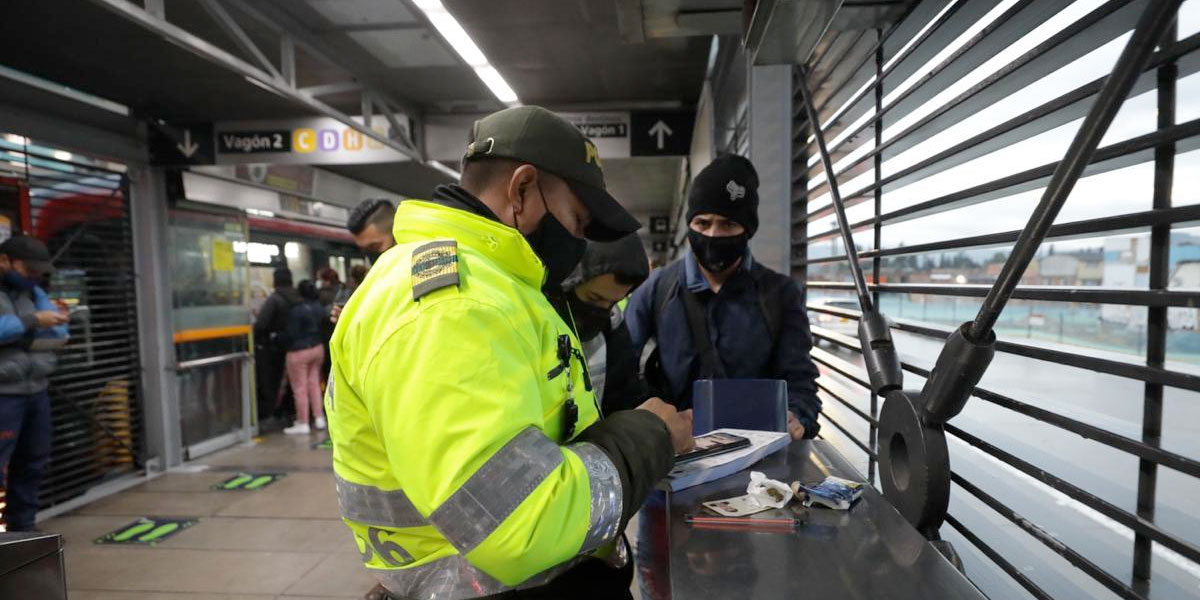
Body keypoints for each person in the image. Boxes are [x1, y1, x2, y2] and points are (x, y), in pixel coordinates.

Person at [327, 105, 694, 600]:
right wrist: (650, 436)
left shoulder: (503, 289)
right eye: (577, 221)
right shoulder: (451, 306)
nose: (579, 243)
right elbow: (521, 523)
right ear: (522, 190)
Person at [626, 154, 821, 441]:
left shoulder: (780, 295)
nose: (714, 234)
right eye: (703, 224)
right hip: (675, 452)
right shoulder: (658, 288)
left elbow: (800, 379)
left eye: (728, 224)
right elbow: (622, 370)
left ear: (747, 230)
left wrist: (797, 414)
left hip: (757, 453)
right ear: (690, 225)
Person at [0, 235, 69, 532]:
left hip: (35, 389)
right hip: (4, 393)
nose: (33, 276)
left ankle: (22, 530)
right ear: (4, 262)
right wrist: (32, 322)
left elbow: (57, 331)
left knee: (32, 461)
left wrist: (56, 319)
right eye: (28, 269)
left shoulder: (34, 292)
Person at [548, 234, 651, 416]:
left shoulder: (612, 323)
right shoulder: (538, 321)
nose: (602, 312)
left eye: (613, 302)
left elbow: (623, 394)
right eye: (594, 299)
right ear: (568, 283)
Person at [253, 267, 299, 427]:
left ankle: (273, 413)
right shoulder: (297, 297)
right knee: (295, 383)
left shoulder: (274, 299)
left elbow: (261, 324)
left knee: (271, 381)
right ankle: (291, 411)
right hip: (294, 344)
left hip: (273, 348)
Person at [282, 280, 327, 435]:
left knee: (300, 388)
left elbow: (290, 333)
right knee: (314, 384)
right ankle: (319, 418)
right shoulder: (319, 308)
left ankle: (303, 422)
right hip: (317, 348)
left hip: (298, 351)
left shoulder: (296, 310)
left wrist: (277, 339)